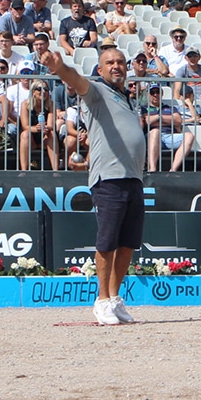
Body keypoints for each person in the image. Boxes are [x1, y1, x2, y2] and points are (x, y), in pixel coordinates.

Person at [41, 45, 147, 326]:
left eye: (121, 62)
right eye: (110, 63)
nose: (117, 66)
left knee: (127, 244)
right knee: (108, 242)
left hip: (133, 178)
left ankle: (114, 298)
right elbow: (77, 80)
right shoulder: (98, 91)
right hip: (109, 178)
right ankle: (101, 300)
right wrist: (59, 68)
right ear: (100, 70)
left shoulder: (127, 99)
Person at [141, 83, 195, 172]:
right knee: (155, 131)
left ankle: (173, 169)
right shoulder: (144, 108)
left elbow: (178, 120)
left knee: (189, 136)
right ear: (147, 94)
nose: (155, 94)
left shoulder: (170, 108)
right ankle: (153, 169)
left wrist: (158, 117)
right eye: (152, 92)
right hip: (151, 137)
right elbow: (147, 122)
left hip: (169, 136)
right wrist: (169, 120)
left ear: (162, 93)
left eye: (158, 92)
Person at [19, 79, 58, 170]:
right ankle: (24, 170)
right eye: (39, 89)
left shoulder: (51, 105)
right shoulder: (25, 105)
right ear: (33, 91)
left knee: (51, 134)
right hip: (31, 137)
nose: (43, 91)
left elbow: (51, 125)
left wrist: (45, 128)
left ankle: (56, 171)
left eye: (46, 89)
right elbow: (25, 126)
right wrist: (37, 129)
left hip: (45, 136)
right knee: (25, 134)